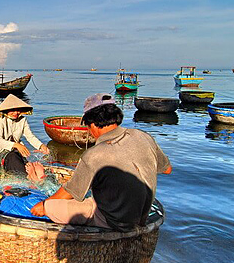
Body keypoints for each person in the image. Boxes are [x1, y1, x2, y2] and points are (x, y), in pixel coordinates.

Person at [31, 93, 172, 232]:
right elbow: (167, 169)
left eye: (87, 126)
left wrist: (44, 205)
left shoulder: (94, 155)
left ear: (92, 123)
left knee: (51, 207)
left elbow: (71, 192)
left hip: (114, 221)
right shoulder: (143, 136)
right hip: (142, 214)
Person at [0, 94, 50, 179]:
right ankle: (31, 179)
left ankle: (34, 177)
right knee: (13, 157)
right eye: (12, 110)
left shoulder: (22, 120)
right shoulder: (0, 121)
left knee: (24, 161)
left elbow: (30, 136)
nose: (16, 113)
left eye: (18, 110)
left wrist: (41, 146)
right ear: (6, 110)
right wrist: (16, 145)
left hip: (15, 153)